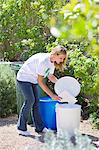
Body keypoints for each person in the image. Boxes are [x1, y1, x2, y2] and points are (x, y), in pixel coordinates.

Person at [17, 45, 67, 136]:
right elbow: (40, 82)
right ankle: (21, 128)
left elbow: (50, 76)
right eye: (61, 58)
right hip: (24, 78)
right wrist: (52, 95)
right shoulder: (44, 61)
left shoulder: (52, 62)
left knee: (36, 103)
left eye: (63, 59)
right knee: (30, 100)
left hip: (32, 79)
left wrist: (61, 83)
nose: (62, 61)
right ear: (55, 54)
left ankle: (40, 128)